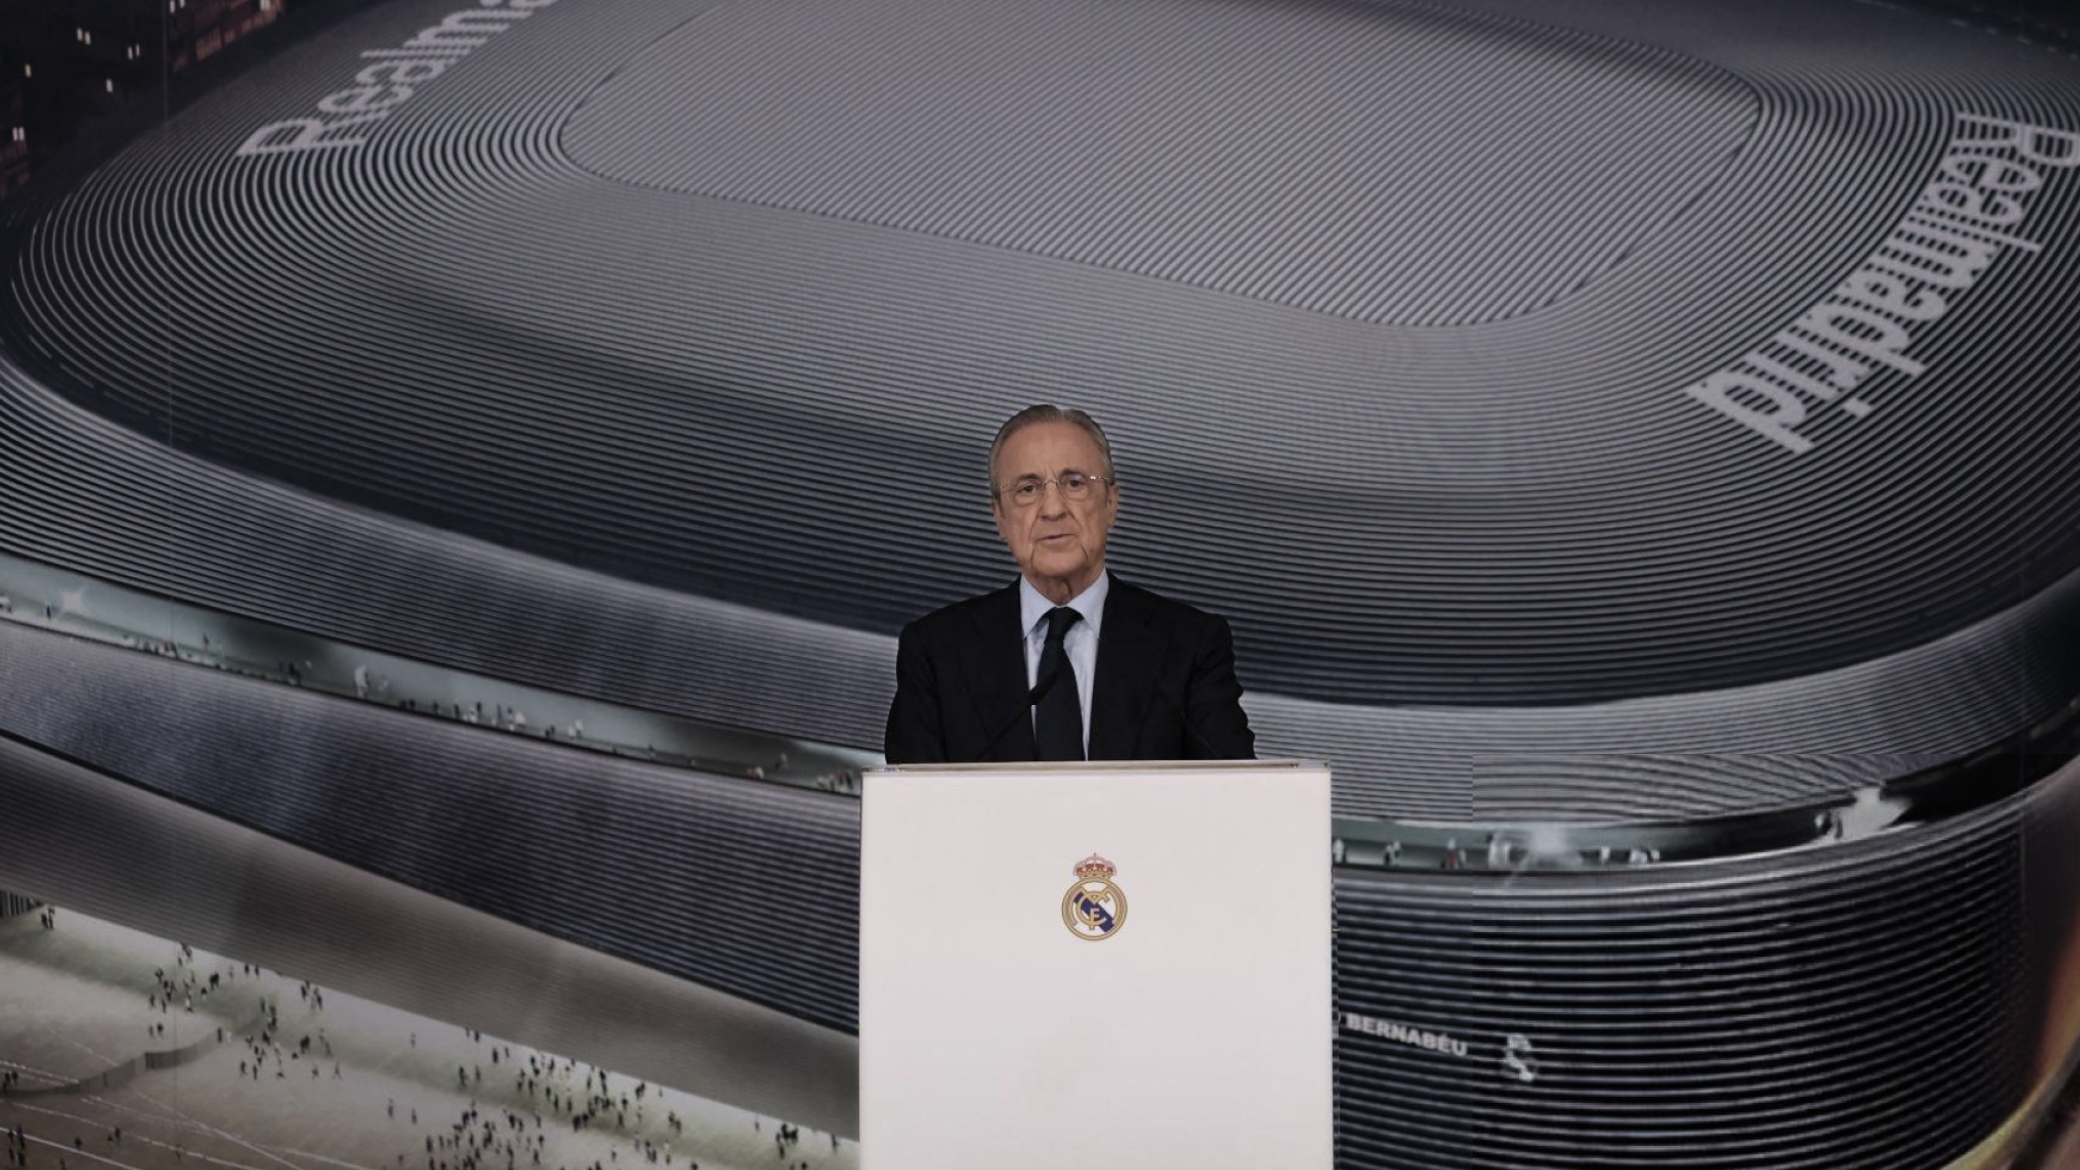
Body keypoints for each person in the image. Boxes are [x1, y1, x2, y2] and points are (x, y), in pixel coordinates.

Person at [884, 404, 1254, 763]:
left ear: (1111, 502)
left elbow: (1240, 795)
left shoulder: (1190, 646)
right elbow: (908, 811)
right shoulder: (937, 652)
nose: (1053, 509)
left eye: (1074, 483)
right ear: (999, 517)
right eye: (1027, 489)